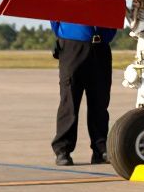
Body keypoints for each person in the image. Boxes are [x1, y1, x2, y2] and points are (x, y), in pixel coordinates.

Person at [49, 20, 117, 166]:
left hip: (101, 47)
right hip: (72, 46)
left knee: (100, 102)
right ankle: (63, 150)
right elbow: (54, 15)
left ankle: (100, 150)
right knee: (70, 101)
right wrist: (65, 35)